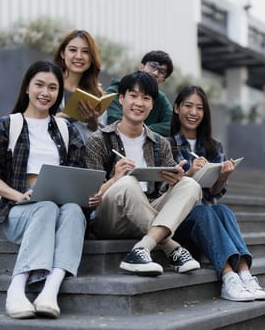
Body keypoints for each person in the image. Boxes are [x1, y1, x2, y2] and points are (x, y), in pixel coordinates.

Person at [0, 61, 101, 319]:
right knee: (44, 206)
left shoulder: (66, 130)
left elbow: (80, 171)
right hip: (18, 209)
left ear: (59, 93)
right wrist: (18, 195)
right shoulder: (7, 125)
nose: (45, 92)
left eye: (53, 88)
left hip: (60, 206)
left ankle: (50, 289)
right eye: (40, 85)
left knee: (72, 210)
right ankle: (17, 287)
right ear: (27, 87)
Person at [84, 71, 202, 276]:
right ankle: (171, 248)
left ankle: (142, 248)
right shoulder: (99, 139)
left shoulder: (159, 142)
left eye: (146, 98)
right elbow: (89, 198)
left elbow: (167, 189)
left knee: (191, 185)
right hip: (111, 219)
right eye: (134, 96)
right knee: (128, 183)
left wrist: (175, 180)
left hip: (147, 211)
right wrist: (115, 178)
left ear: (152, 105)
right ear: (121, 99)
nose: (139, 103)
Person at [168, 85, 265, 302]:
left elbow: (214, 193)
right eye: (188, 106)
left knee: (221, 209)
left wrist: (223, 175)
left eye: (199, 108)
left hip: (206, 220)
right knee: (204, 212)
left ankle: (245, 274)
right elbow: (165, 192)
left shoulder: (214, 147)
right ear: (177, 108)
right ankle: (228, 278)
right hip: (178, 222)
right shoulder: (167, 144)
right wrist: (190, 173)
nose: (194, 112)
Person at [105, 50, 174, 136]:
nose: (156, 73)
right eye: (153, 66)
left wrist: (143, 131)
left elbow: (173, 124)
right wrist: (140, 130)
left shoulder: (160, 98)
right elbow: (114, 119)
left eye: (162, 72)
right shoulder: (116, 90)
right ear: (141, 67)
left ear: (163, 80)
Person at [53, 29, 103, 141]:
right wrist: (55, 120)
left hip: (82, 156)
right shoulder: (48, 85)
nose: (79, 56)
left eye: (85, 52)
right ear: (62, 53)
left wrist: (93, 123)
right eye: (72, 50)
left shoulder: (97, 93)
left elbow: (103, 139)